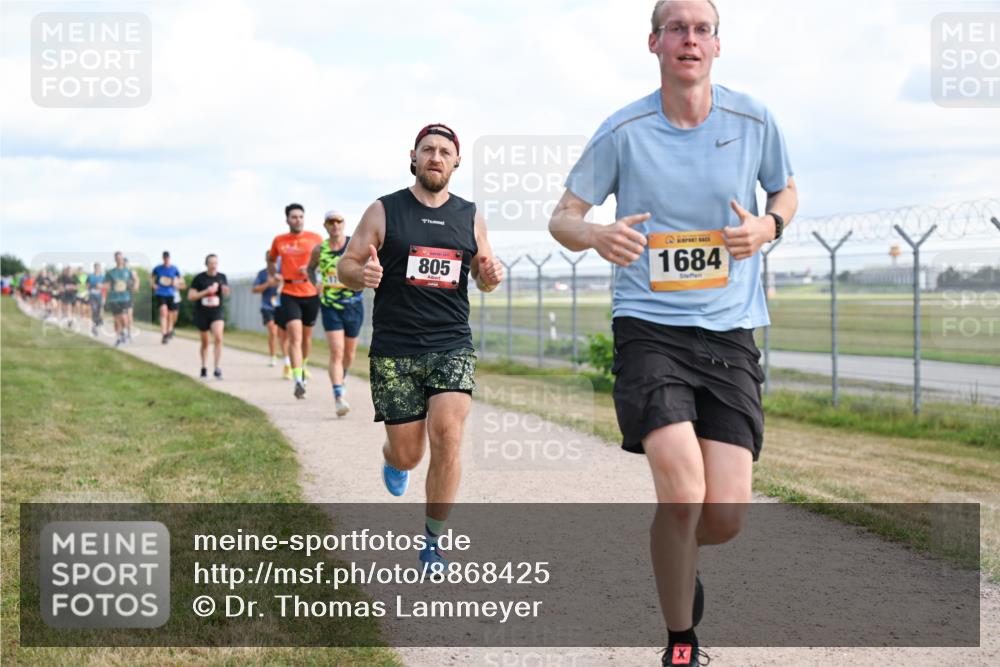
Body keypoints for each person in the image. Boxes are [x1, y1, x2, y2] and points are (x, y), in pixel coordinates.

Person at [548, 2, 798, 664]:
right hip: (649, 330)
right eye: (677, 28)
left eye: (703, 29)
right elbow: (563, 216)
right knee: (683, 492)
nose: (691, 38)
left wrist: (768, 227)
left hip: (731, 332)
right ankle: (681, 641)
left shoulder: (754, 119)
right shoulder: (624, 129)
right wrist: (596, 233)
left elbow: (786, 191)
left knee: (726, 514)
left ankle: (676, 552)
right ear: (654, 42)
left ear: (718, 45)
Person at [339, 123, 503, 570]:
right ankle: (394, 460)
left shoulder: (470, 215)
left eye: (444, 151)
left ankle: (433, 540)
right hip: (395, 348)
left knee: (448, 434)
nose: (435, 157)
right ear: (413, 157)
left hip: (451, 343)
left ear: (455, 163)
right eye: (427, 150)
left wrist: (489, 276)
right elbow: (346, 265)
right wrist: (362, 276)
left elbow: (482, 273)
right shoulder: (383, 210)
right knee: (410, 452)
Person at [307, 209, 364, 417]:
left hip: (353, 305)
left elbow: (365, 265)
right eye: (331, 222)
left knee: (349, 354)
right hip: (330, 305)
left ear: (344, 223)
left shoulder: (354, 245)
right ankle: (338, 396)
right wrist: (316, 284)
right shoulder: (318, 249)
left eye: (338, 221)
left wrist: (361, 278)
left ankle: (343, 376)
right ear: (325, 225)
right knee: (337, 351)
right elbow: (309, 269)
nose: (335, 225)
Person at [268, 204, 322, 398]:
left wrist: (312, 270)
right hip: (289, 292)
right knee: (295, 336)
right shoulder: (279, 240)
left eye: (300, 216)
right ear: (287, 220)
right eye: (294, 217)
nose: (297, 220)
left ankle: (303, 367)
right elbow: (270, 258)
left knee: (306, 338)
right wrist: (274, 274)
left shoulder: (315, 238)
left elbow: (324, 262)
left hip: (310, 292)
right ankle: (298, 380)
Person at [187, 254, 230, 379]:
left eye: (215, 263)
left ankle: (217, 368)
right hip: (202, 312)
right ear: (206, 264)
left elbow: (226, 291)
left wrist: (226, 291)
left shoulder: (222, 277)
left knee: (218, 337)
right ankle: (204, 367)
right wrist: (207, 291)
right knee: (205, 342)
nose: (213, 266)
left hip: (217, 312)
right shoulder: (199, 278)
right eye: (211, 263)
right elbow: (191, 296)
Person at [251, 251, 284, 367]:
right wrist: (267, 284)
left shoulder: (283, 273)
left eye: (274, 259)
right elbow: (254, 289)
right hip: (267, 306)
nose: (272, 262)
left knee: (282, 334)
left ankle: (287, 359)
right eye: (269, 259)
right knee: (272, 330)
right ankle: (273, 356)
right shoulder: (262, 274)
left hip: (281, 305)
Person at [151, 251, 184, 344]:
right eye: (164, 258)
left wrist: (176, 282)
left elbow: (181, 279)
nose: (166, 259)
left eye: (167, 258)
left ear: (169, 258)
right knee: (163, 312)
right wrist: (153, 284)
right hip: (160, 293)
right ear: (163, 258)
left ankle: (170, 330)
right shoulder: (157, 268)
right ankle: (164, 334)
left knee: (171, 315)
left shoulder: (174, 269)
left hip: (171, 294)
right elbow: (151, 278)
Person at [104, 252, 136, 346]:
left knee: (124, 317)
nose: (119, 259)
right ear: (115, 259)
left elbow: (134, 283)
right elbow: (107, 284)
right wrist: (102, 286)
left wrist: (135, 284)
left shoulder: (128, 271)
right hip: (114, 298)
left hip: (125, 298)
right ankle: (119, 337)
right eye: (117, 258)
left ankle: (126, 333)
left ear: (122, 259)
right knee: (116, 319)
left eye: (120, 258)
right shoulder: (111, 272)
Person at [87, 262, 105, 336]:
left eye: (98, 267)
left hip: (100, 295)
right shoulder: (90, 276)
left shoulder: (103, 277)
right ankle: (94, 325)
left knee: (99, 309)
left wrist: (104, 297)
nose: (97, 269)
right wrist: (88, 292)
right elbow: (87, 286)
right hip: (92, 295)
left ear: (100, 268)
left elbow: (105, 287)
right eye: (96, 267)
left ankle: (98, 321)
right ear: (94, 268)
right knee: (94, 309)